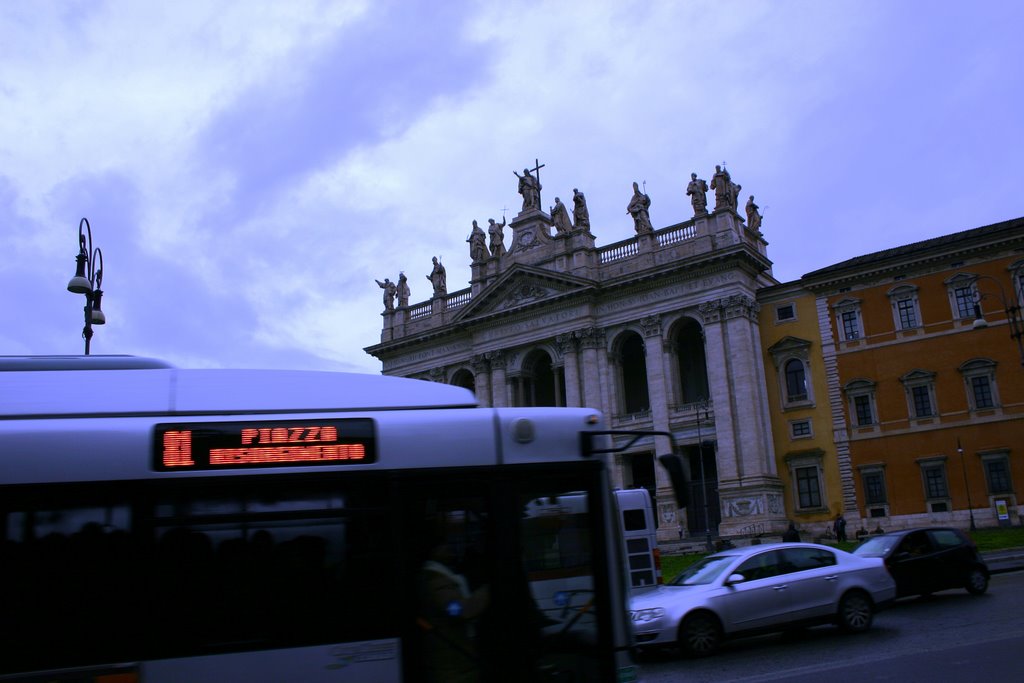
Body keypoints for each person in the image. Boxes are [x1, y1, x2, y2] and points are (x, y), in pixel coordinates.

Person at [418, 535, 491, 683]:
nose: (448, 548)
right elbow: (456, 610)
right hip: (452, 658)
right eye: (443, 546)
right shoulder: (436, 579)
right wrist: (488, 591)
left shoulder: (435, 575)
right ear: (433, 551)